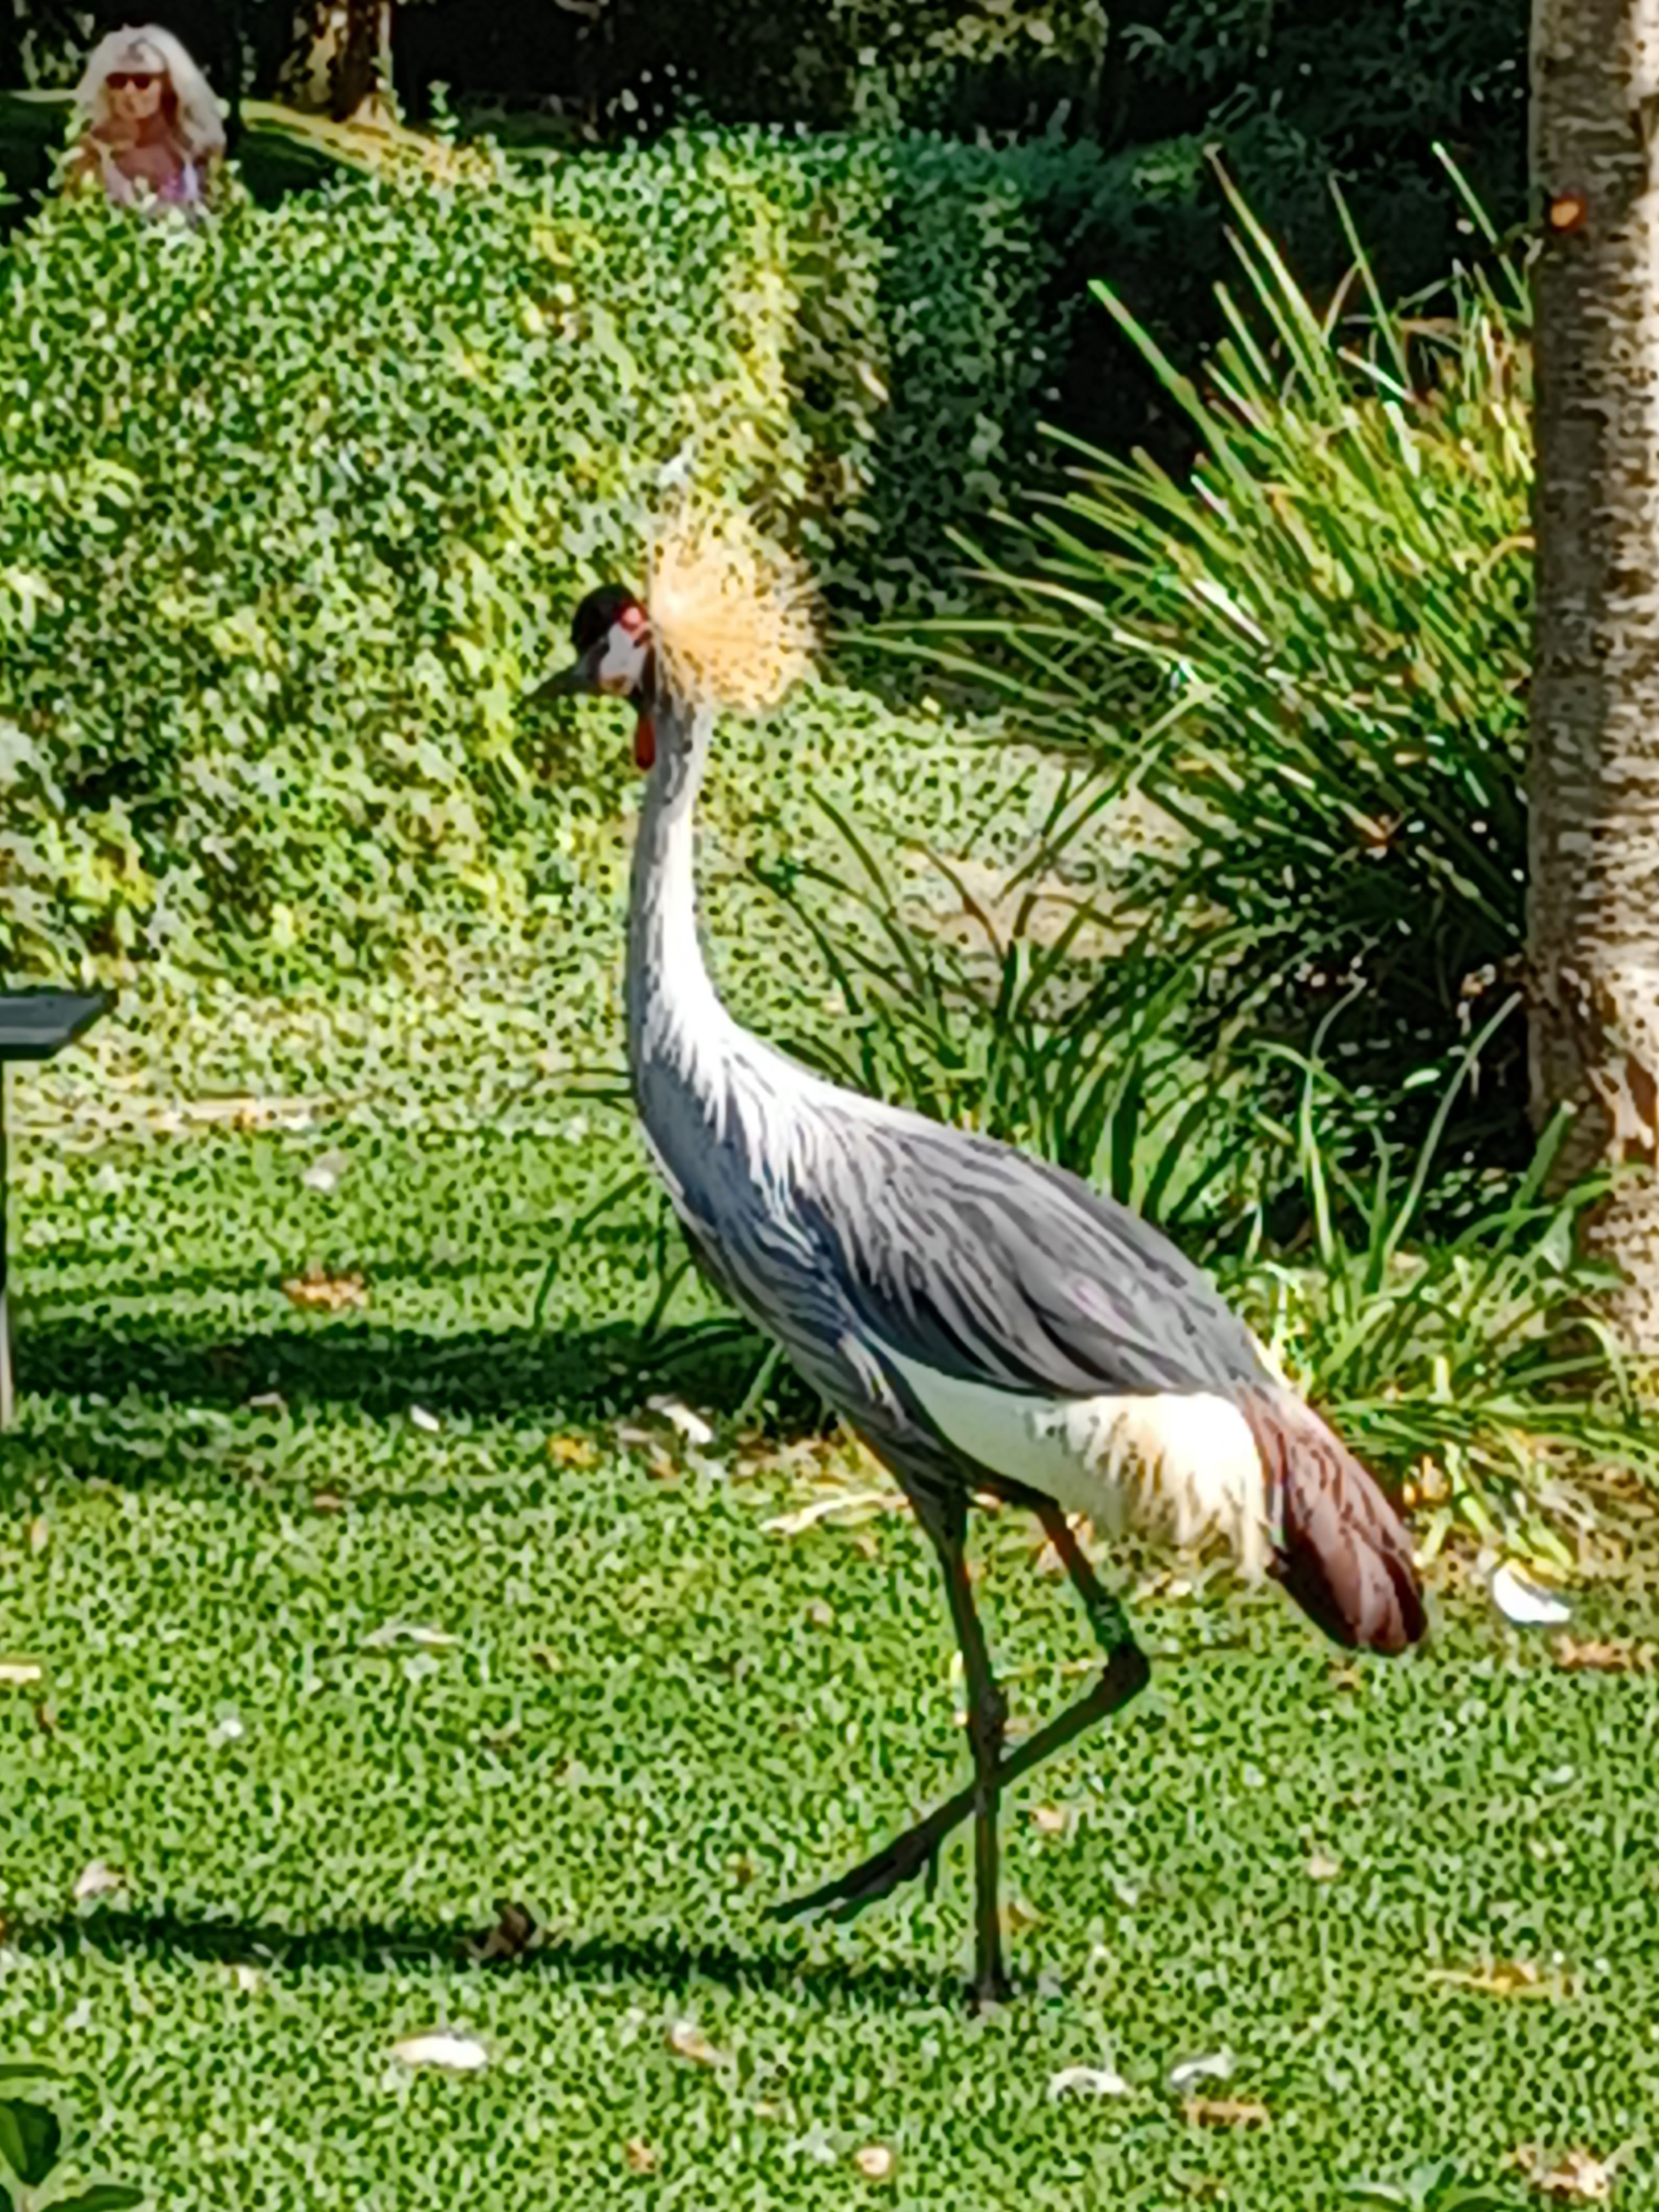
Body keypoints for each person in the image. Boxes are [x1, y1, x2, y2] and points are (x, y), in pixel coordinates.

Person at [67, 24, 225, 217]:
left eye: (142, 81)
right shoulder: (93, 155)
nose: (129, 92)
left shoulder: (193, 150)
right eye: (117, 81)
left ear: (167, 85)